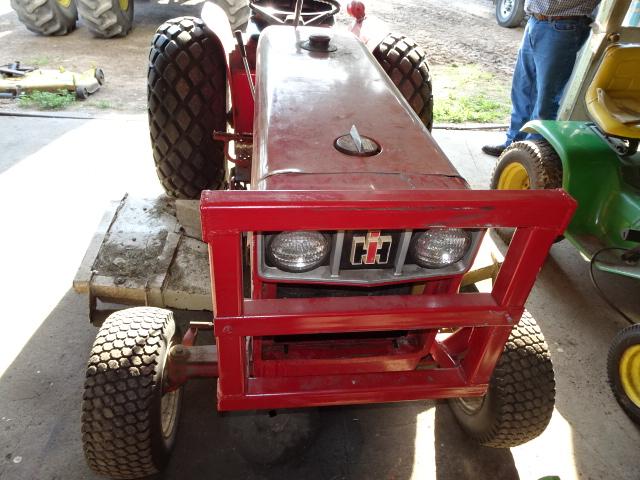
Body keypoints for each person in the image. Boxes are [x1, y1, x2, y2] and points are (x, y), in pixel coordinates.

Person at [482, 0, 600, 157]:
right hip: (536, 20)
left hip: (562, 24)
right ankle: (514, 145)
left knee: (546, 98)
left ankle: (533, 155)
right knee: (523, 89)